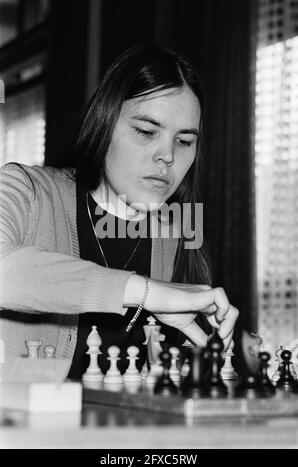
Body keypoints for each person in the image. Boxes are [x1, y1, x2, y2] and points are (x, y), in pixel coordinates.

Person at [0, 44, 239, 377]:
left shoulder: (178, 235)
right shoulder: (24, 190)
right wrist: (146, 292)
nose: (167, 156)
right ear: (104, 122)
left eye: (184, 141)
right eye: (145, 131)